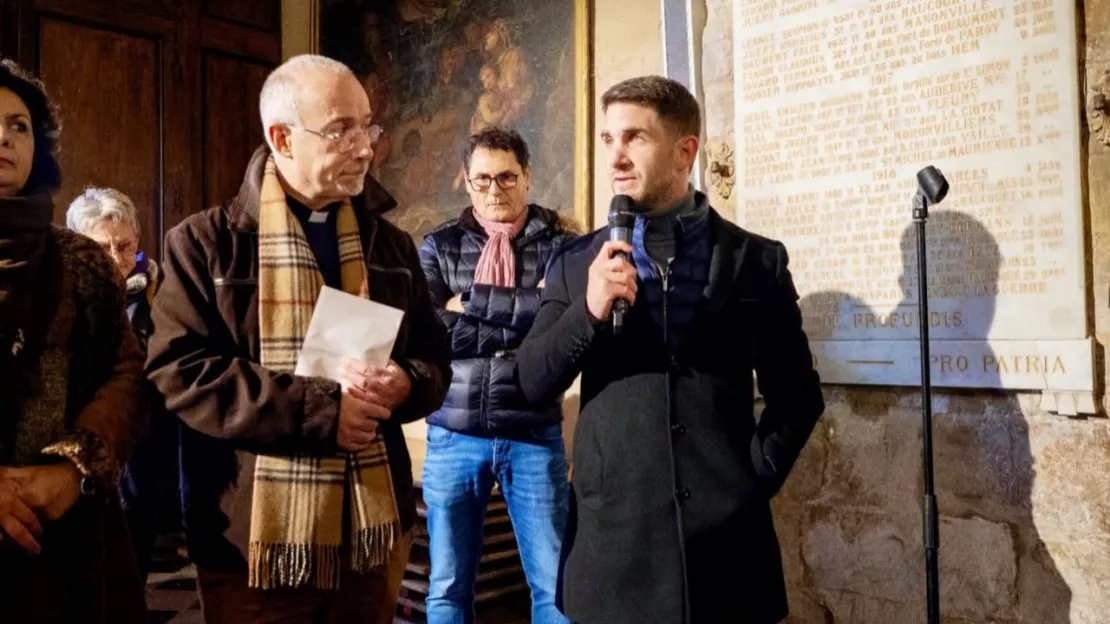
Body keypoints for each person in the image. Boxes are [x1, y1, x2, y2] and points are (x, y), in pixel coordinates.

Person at [144, 54, 451, 624]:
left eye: (368, 126)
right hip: (253, 546)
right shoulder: (205, 243)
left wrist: (407, 381)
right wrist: (320, 411)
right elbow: (179, 372)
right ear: (281, 137)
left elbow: (435, 358)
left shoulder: (391, 246)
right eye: (341, 130)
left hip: (371, 539)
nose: (366, 148)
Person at [515, 75, 826, 623]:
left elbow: (798, 394)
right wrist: (587, 313)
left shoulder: (756, 261)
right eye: (608, 138)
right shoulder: (574, 262)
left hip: (728, 557)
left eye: (634, 137)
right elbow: (532, 381)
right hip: (613, 556)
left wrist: (753, 477)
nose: (616, 155)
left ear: (686, 151)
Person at [0, 59, 148, 623]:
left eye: (19, 125)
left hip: (68, 528)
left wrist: (74, 470)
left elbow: (125, 371)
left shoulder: (78, 258)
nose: (5, 138)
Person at [418, 127, 579, 624]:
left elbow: (561, 324)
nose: (495, 189)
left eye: (506, 177)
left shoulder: (564, 244)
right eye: (482, 179)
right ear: (466, 183)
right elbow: (429, 334)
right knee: (446, 589)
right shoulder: (439, 245)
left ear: (528, 176)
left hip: (532, 430)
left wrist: (468, 302)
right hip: (452, 432)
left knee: (554, 588)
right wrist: (526, 316)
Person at [66, 186, 177, 583]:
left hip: (148, 439)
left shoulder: (162, 289)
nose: (117, 259)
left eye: (125, 246)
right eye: (103, 248)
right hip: (87, 435)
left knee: (136, 548)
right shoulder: (66, 292)